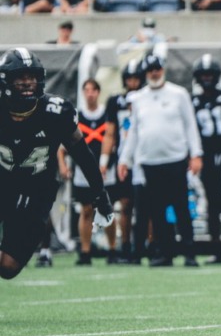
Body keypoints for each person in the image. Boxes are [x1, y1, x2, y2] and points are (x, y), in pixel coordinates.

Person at [0, 49, 113, 279]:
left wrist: (100, 194)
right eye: (20, 77)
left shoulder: (56, 111)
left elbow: (82, 153)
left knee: (8, 267)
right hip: (3, 182)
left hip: (37, 190)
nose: (27, 82)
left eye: (31, 76)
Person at [118, 54, 203, 268]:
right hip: (150, 161)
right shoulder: (138, 98)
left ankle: (189, 252)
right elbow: (134, 131)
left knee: (181, 207)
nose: (154, 73)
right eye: (150, 70)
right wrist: (125, 159)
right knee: (157, 211)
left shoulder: (178, 94)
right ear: (146, 73)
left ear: (163, 70)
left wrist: (196, 154)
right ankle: (165, 252)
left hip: (175, 158)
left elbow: (190, 125)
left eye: (157, 69)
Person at [57, 78, 118, 265]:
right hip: (83, 174)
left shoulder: (107, 115)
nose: (90, 93)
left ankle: (113, 249)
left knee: (108, 210)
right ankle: (85, 251)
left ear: (98, 92)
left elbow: (110, 138)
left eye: (93, 90)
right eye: (87, 90)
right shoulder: (78, 116)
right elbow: (63, 146)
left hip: (105, 171)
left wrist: (104, 162)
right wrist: (63, 165)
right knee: (85, 210)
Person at [191, 55, 221, 264]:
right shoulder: (194, 101)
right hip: (206, 156)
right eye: (204, 75)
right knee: (213, 204)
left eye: (210, 75)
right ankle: (216, 248)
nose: (207, 79)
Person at [100, 60, 143, 263]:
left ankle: (149, 245)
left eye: (136, 78)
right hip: (123, 158)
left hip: (145, 157)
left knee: (147, 206)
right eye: (130, 79)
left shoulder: (147, 98)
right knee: (125, 204)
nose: (133, 82)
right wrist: (104, 158)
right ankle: (125, 245)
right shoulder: (115, 101)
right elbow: (110, 133)